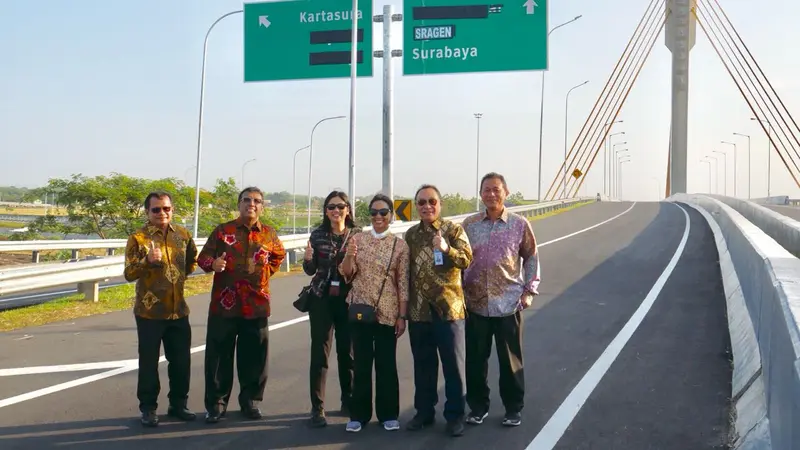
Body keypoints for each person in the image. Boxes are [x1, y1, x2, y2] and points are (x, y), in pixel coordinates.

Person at [197, 186, 286, 423]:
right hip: (224, 305)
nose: (251, 204)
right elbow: (203, 258)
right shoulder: (222, 231)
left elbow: (279, 255)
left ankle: (251, 402)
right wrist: (214, 264)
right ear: (239, 204)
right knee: (218, 357)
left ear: (262, 206)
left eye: (257, 200)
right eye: (246, 200)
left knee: (255, 357)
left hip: (256, 304)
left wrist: (265, 274)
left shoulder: (269, 233)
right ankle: (216, 404)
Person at [462, 172, 540, 427]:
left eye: (496, 189)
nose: (491, 194)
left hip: (508, 304)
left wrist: (528, 291)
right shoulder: (469, 225)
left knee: (510, 362)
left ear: (506, 192)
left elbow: (531, 258)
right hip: (475, 304)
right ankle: (477, 407)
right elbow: (458, 262)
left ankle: (513, 408)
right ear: (480, 194)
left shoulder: (519, 224)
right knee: (475, 361)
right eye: (486, 190)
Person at [123, 191, 198, 427]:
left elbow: (191, 262)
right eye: (156, 209)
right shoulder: (138, 238)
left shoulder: (183, 235)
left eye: (166, 208)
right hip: (150, 314)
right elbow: (128, 273)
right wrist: (148, 262)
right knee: (149, 363)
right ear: (148, 212)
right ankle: (148, 407)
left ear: (172, 210)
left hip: (178, 311)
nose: (162, 213)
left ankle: (178, 404)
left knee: (181, 362)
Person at [404, 184, 473, 437]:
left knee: (453, 366)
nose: (427, 206)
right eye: (421, 202)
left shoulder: (453, 230)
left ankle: (455, 415)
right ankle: (424, 412)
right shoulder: (411, 235)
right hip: (419, 310)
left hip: (449, 309)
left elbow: (467, 259)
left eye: (431, 201)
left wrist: (446, 249)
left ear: (440, 204)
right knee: (423, 365)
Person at [338, 194, 410, 433]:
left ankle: (388, 413)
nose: (378, 217)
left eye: (383, 212)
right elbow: (347, 274)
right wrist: (349, 254)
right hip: (360, 310)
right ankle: (358, 415)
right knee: (360, 364)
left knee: (386, 365)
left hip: (388, 313)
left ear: (391, 215)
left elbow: (403, 283)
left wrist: (402, 316)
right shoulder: (357, 239)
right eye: (374, 212)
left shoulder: (399, 245)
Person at [302, 190, 360, 428]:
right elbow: (310, 269)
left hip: (348, 299)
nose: (336, 211)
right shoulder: (317, 235)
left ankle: (349, 400)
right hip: (321, 298)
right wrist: (307, 259)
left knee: (348, 354)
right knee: (320, 354)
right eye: (331, 207)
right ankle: (318, 407)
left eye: (340, 206)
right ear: (325, 211)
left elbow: (361, 269)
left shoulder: (357, 236)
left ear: (348, 209)